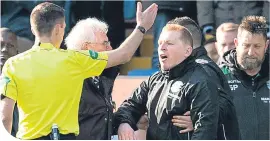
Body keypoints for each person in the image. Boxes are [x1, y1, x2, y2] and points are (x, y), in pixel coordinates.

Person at [0, 2, 158, 140]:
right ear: (59, 28)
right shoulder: (75, 60)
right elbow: (123, 54)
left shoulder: (13, 64)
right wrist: (141, 27)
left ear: (33, 30)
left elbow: (5, 116)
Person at [114, 23, 229, 140]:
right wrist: (124, 123)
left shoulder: (201, 82)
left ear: (187, 51)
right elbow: (130, 106)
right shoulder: (154, 80)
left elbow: (205, 132)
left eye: (169, 43)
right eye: (160, 43)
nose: (162, 47)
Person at [167, 16, 240, 139]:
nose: (164, 47)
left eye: (170, 42)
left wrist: (201, 120)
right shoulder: (177, 70)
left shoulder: (204, 71)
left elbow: (225, 105)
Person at [219, 16, 269, 139]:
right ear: (236, 43)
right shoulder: (218, 76)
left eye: (257, 46)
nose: (251, 52)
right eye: (246, 45)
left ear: (266, 45)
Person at [142, 1, 197, 69]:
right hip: (164, 6)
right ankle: (158, 77)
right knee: (161, 49)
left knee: (191, 48)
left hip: (186, 6)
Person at [196, 1, 270, 39]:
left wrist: (267, 23)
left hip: (254, 28)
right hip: (222, 28)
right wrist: (207, 25)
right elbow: (204, 4)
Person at [0, 28, 19, 137]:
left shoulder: (24, 81)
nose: (4, 50)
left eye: (10, 45)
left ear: (17, 53)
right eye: (1, 44)